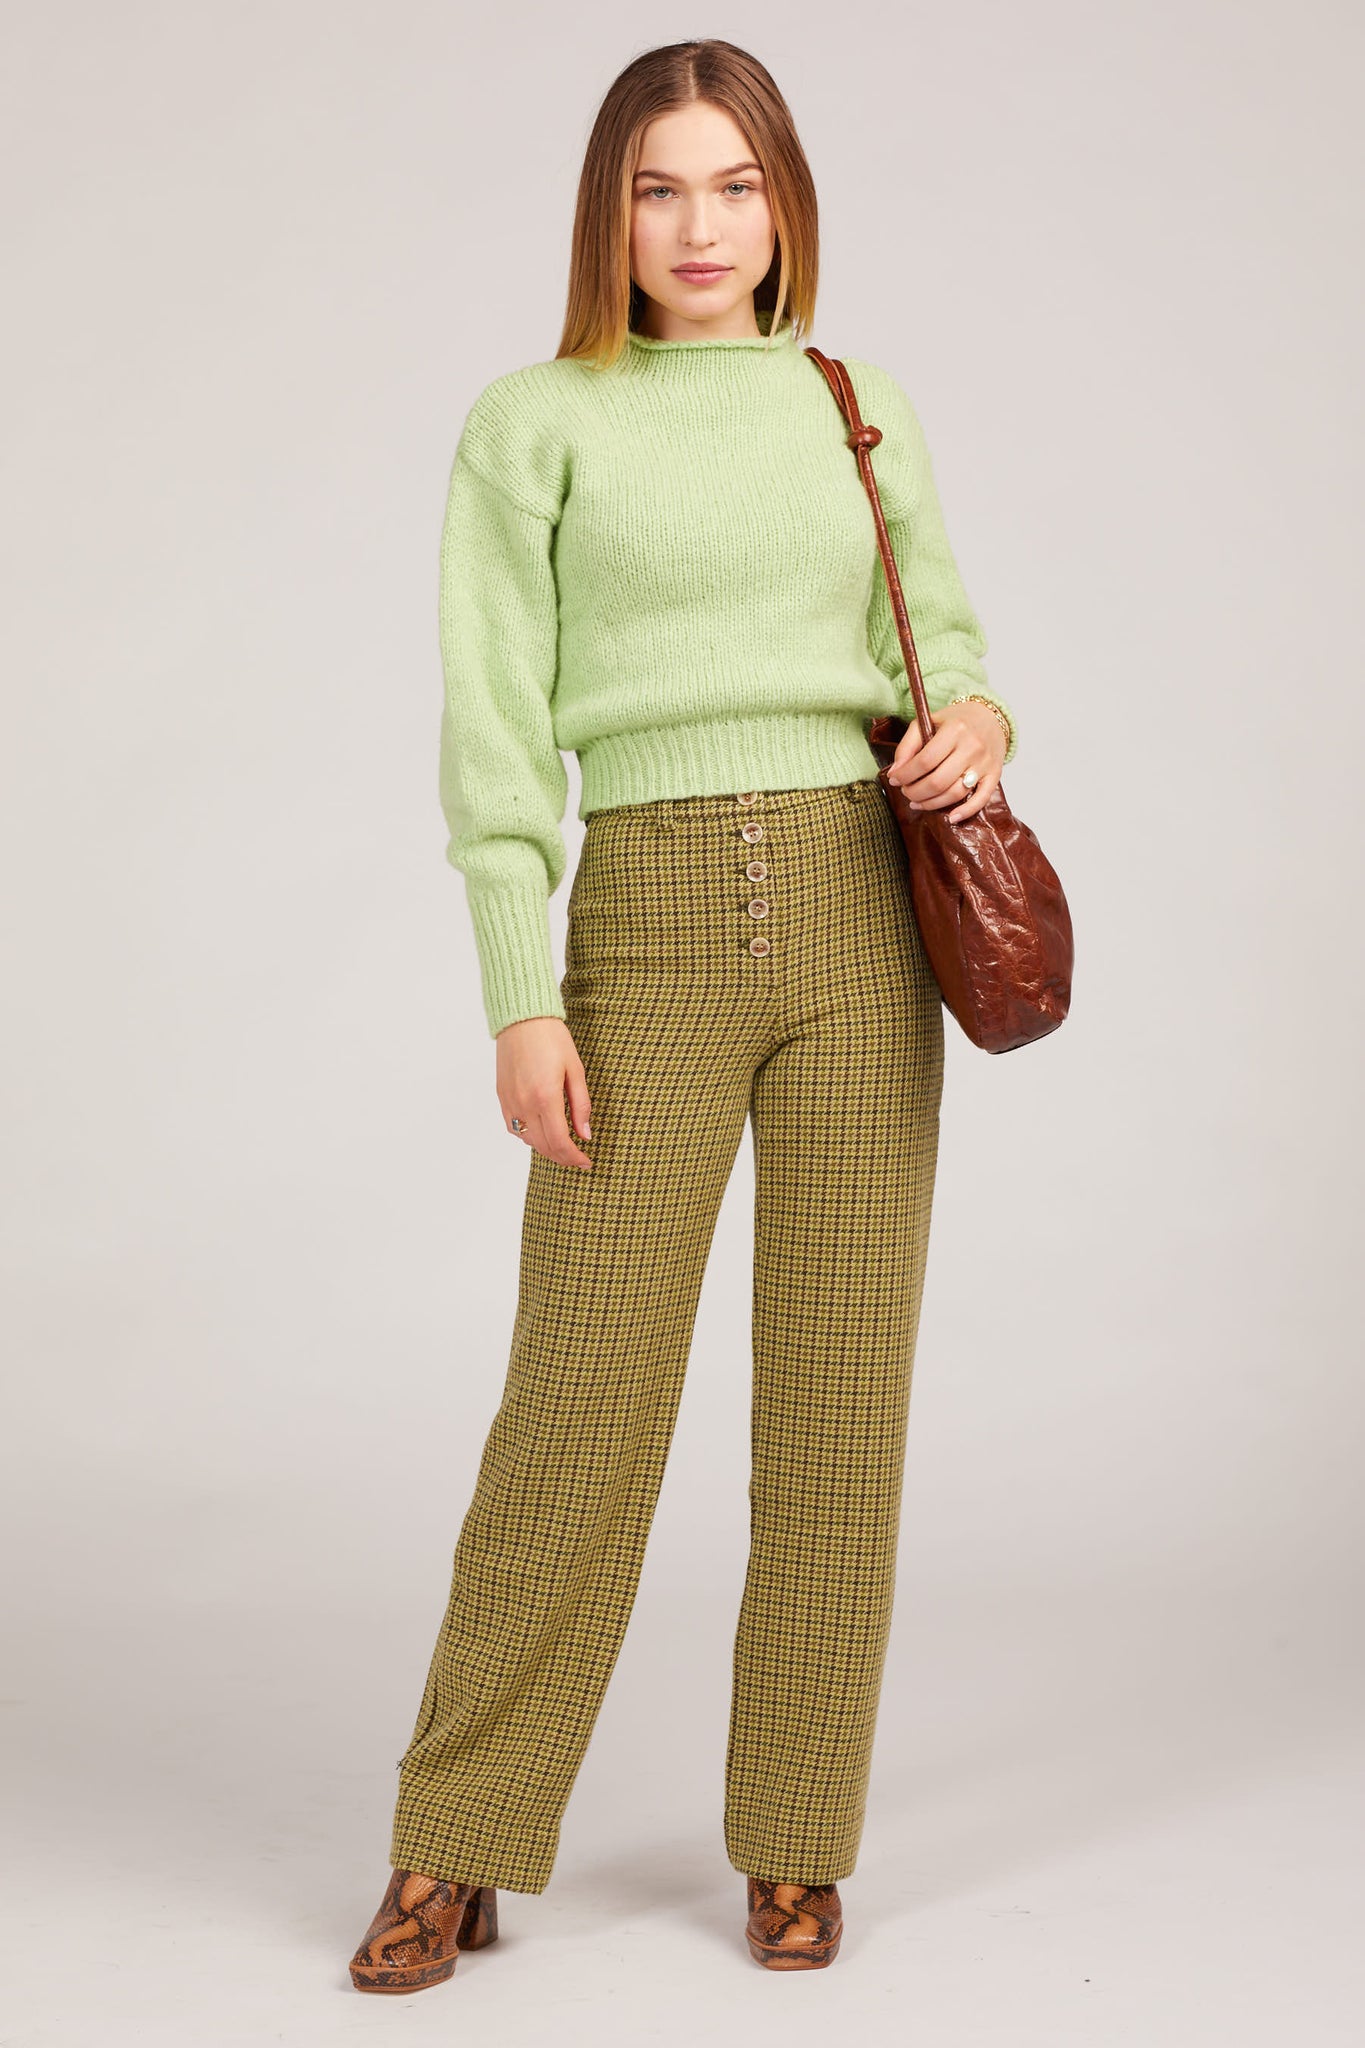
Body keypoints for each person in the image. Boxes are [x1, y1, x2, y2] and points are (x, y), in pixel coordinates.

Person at [349, 36, 1019, 1991]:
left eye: (734, 186)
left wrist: (979, 719)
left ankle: (797, 1841)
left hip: (860, 924)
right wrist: (516, 992)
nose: (699, 226)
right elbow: (492, 728)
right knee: (578, 1406)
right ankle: (455, 1840)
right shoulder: (534, 423)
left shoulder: (852, 405)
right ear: (608, 213)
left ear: (784, 204)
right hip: (639, 921)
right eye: (658, 189)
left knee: (835, 1411)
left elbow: (940, 646)